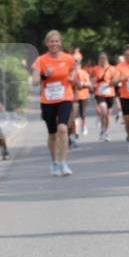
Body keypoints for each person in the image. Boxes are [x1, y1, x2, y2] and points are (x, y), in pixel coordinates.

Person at [31, 31, 78, 176]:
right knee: (52, 134)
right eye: (51, 41)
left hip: (64, 97)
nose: (54, 44)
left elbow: (74, 70)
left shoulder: (68, 59)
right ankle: (55, 163)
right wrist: (46, 74)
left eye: (56, 41)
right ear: (47, 43)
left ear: (60, 43)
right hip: (47, 100)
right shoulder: (40, 60)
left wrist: (72, 77)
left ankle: (63, 163)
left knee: (63, 128)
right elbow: (34, 82)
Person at [90, 52, 116, 142]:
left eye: (104, 58)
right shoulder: (95, 69)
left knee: (108, 115)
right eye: (101, 58)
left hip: (110, 93)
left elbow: (115, 80)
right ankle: (103, 130)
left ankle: (105, 131)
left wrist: (111, 82)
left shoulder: (112, 69)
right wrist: (93, 84)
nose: (102, 60)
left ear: (107, 59)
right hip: (100, 93)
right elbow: (92, 80)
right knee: (103, 111)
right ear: (99, 59)